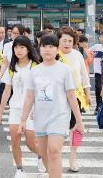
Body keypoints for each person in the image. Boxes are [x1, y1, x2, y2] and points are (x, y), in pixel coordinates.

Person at [19, 34, 84, 178]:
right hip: (41, 118)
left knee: (54, 150)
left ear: (56, 49)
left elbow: (72, 96)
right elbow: (29, 97)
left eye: (51, 46)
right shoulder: (34, 71)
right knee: (44, 153)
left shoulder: (65, 70)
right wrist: (23, 120)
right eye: (44, 46)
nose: (47, 49)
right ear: (39, 49)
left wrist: (79, 121)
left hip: (59, 116)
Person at [0, 36, 45, 177]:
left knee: (30, 143)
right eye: (16, 47)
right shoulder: (12, 68)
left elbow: (41, 90)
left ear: (28, 49)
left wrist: (36, 109)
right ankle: (20, 169)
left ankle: (41, 155)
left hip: (31, 111)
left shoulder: (36, 66)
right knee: (15, 141)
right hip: (15, 109)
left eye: (22, 47)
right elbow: (6, 91)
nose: (19, 50)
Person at [57, 26, 91, 172]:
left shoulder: (77, 55)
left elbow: (84, 75)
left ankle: (73, 159)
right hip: (57, 99)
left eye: (70, 41)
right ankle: (55, 158)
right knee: (58, 130)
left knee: (76, 127)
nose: (66, 43)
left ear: (74, 42)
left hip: (76, 98)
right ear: (58, 40)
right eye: (64, 40)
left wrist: (87, 93)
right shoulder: (53, 54)